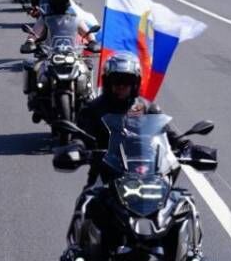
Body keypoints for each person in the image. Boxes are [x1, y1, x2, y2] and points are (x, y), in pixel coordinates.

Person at [73, 52, 188, 183]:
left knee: (180, 199)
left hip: (147, 174)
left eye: (127, 81)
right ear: (108, 82)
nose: (121, 86)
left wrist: (186, 145)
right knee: (87, 201)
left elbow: (169, 132)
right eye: (117, 81)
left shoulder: (147, 107)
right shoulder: (93, 109)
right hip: (105, 175)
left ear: (135, 84)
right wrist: (77, 147)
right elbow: (81, 136)